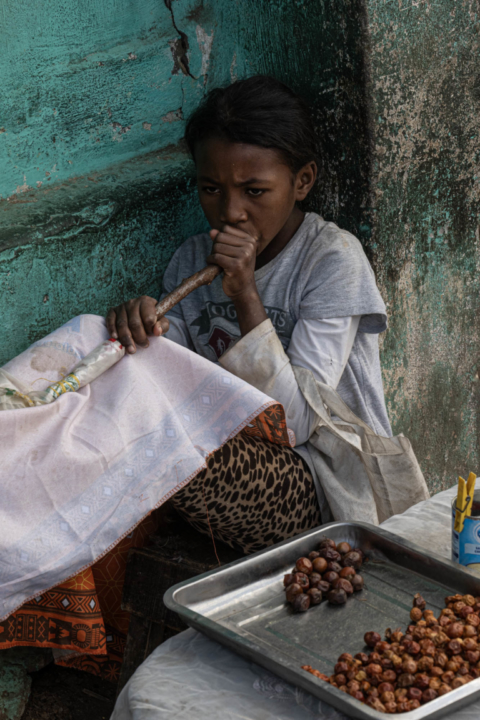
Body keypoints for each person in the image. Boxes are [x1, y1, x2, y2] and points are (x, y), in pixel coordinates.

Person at [107, 75, 392, 554]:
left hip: (318, 481)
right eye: (211, 189)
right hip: (223, 444)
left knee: (169, 450)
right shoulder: (191, 258)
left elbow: (295, 425)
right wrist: (141, 332)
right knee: (106, 394)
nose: (231, 213)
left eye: (254, 191)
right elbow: (168, 381)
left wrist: (245, 293)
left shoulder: (331, 261)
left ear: (302, 182)